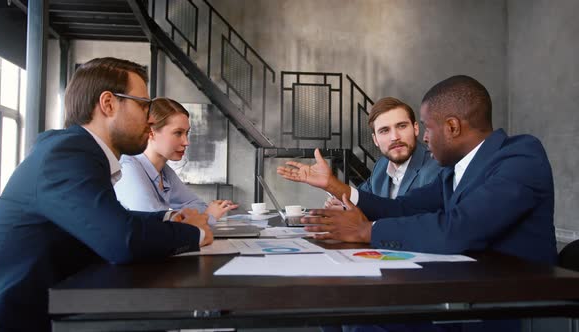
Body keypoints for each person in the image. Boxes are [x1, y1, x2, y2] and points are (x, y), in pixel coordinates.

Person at [278, 75, 556, 332]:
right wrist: (335, 186)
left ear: (452, 127)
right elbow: (403, 207)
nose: (423, 136)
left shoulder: (521, 157)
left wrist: (367, 231)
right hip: (460, 295)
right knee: (342, 311)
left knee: (364, 322)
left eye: (426, 126)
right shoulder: (453, 172)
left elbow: (458, 229)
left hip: (503, 310)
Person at [0, 57, 213, 332]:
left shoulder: (76, 150)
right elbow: (121, 239)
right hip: (15, 320)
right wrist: (195, 233)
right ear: (108, 104)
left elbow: (113, 219)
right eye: (144, 105)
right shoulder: (67, 154)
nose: (149, 118)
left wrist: (169, 218)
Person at [114, 98, 238, 221]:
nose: (186, 142)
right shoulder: (128, 167)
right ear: (150, 132)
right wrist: (208, 217)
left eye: (187, 133)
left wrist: (178, 218)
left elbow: (198, 205)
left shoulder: (164, 171)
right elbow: (154, 226)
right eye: (178, 133)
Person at [325, 97, 440, 210]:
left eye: (402, 126)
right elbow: (362, 199)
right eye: (384, 131)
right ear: (375, 140)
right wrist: (343, 204)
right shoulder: (381, 165)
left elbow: (418, 221)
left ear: (415, 129)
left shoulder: (437, 167)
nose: (395, 137)